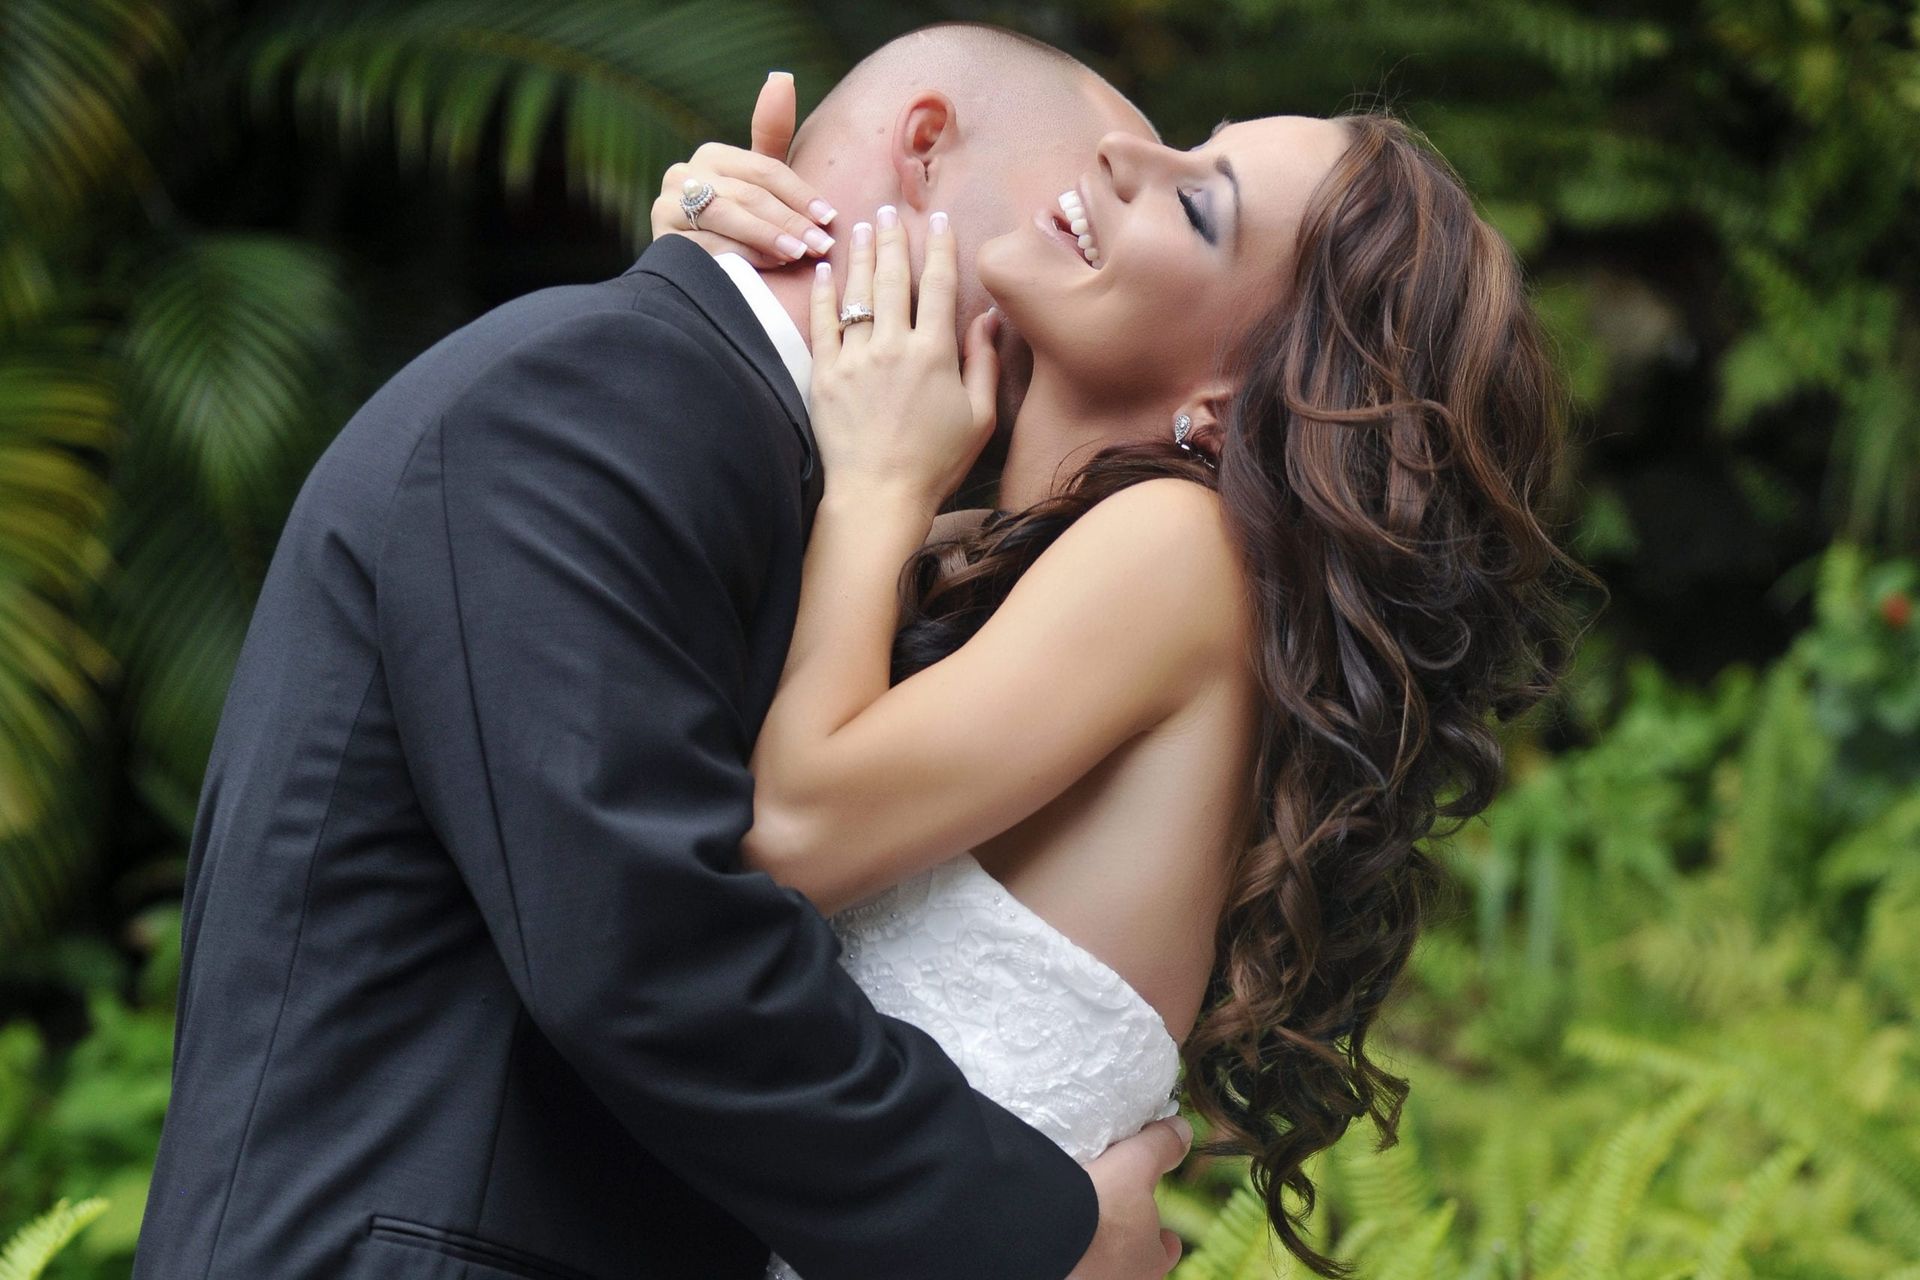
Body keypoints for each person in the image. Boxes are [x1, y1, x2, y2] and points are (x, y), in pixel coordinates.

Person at [131, 24, 1195, 1280]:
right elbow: (638, 939)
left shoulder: (795, 473)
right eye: (1085, 202)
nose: (1108, 247)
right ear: (923, 150)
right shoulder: (599, 387)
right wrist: (1041, 1236)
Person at [657, 82, 1596, 1280]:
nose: (1120, 154)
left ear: (1229, 399)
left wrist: (879, 483)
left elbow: (787, 834)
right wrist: (708, 279)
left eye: (1199, 207)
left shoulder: (1178, 555)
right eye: (1188, 146)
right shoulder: (978, 555)